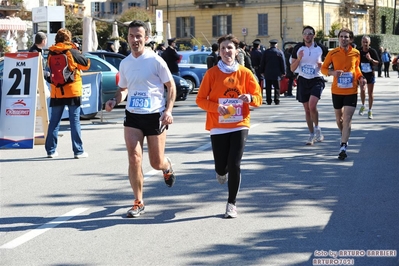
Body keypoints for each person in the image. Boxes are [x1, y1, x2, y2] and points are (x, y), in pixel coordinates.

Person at [104, 20, 177, 218]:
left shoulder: (156, 61)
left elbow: (171, 87)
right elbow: (124, 89)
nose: (135, 40)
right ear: (127, 38)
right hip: (133, 116)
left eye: (139, 36)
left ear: (146, 38)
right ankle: (138, 201)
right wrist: (114, 100)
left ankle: (166, 165)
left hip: (155, 116)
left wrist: (168, 110)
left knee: (155, 162)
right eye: (131, 36)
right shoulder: (125, 63)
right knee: (134, 158)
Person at [196, 34, 262, 218]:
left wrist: (249, 98)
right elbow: (200, 100)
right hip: (218, 125)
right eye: (223, 48)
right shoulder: (211, 74)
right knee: (221, 166)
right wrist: (217, 107)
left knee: (234, 163)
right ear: (219, 52)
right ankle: (220, 171)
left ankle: (231, 203)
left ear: (237, 51)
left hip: (240, 124)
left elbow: (258, 98)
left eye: (230, 48)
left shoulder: (245, 73)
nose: (226, 51)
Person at [321, 28, 366, 160]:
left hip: (351, 90)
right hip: (337, 90)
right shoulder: (333, 53)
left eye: (346, 37)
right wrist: (332, 73)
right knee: (339, 120)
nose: (344, 39)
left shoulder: (356, 53)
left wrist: (361, 77)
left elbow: (356, 68)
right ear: (338, 38)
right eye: (341, 36)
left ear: (351, 39)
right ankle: (344, 134)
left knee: (347, 118)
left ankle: (343, 145)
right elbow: (323, 68)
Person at [45, 28, 90, 159]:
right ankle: (78, 151)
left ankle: (51, 151)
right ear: (68, 38)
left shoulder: (51, 52)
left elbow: (49, 68)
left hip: (56, 91)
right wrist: (78, 51)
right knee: (74, 121)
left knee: (54, 121)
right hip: (72, 90)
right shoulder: (72, 51)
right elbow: (86, 65)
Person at [290, 26, 328, 145]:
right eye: (305, 33)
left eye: (310, 33)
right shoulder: (297, 48)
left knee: (312, 106)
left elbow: (329, 65)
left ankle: (317, 129)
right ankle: (311, 134)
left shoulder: (321, 48)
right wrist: (299, 58)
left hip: (317, 79)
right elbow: (292, 68)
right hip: (303, 80)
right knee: (307, 110)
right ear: (302, 35)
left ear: (314, 35)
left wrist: (323, 65)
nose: (307, 36)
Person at [358, 35, 380, 119]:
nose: (365, 44)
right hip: (362, 74)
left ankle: (370, 110)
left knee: (370, 93)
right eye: (363, 42)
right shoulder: (358, 51)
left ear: (369, 43)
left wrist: (370, 59)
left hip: (370, 74)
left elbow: (378, 63)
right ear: (361, 42)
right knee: (362, 90)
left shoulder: (372, 51)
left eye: (366, 42)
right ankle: (363, 105)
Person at [260, 39, 285, 105]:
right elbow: (282, 62)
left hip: (267, 72)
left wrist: (262, 71)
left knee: (268, 87)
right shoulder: (279, 52)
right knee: (277, 87)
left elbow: (262, 62)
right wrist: (283, 72)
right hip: (277, 73)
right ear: (276, 45)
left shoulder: (266, 52)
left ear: (270, 45)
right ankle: (276, 100)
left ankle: (269, 100)